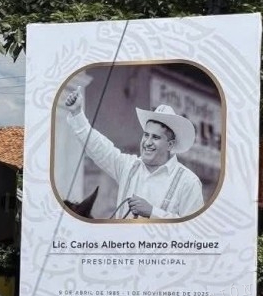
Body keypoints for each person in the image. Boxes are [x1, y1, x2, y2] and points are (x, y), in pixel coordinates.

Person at [63, 86, 204, 219]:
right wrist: (77, 113)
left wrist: (152, 212)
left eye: (155, 137)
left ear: (170, 144)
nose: (147, 142)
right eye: (146, 135)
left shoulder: (188, 182)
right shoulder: (129, 166)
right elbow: (99, 148)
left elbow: (194, 229)